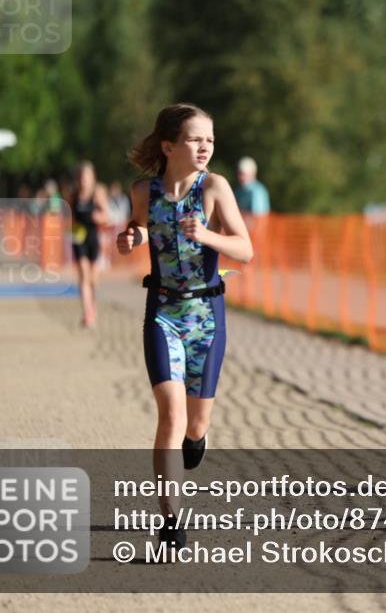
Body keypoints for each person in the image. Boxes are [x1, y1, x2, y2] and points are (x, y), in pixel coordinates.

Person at [117, 103, 252, 550]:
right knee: (170, 415)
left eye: (210, 140)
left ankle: (200, 437)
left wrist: (206, 236)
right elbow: (136, 227)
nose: (205, 147)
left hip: (206, 317)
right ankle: (171, 523)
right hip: (162, 311)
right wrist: (130, 236)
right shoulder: (143, 191)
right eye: (196, 139)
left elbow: (245, 249)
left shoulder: (214, 188)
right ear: (169, 144)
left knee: (195, 424)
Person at [68, 161, 109, 328]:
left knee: (92, 279)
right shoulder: (73, 194)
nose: (83, 180)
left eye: (86, 177)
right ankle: (87, 313)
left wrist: (98, 217)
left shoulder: (97, 193)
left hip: (93, 237)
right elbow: (70, 215)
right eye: (81, 177)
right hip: (78, 238)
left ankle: (93, 306)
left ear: (92, 178)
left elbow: (106, 215)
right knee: (83, 277)